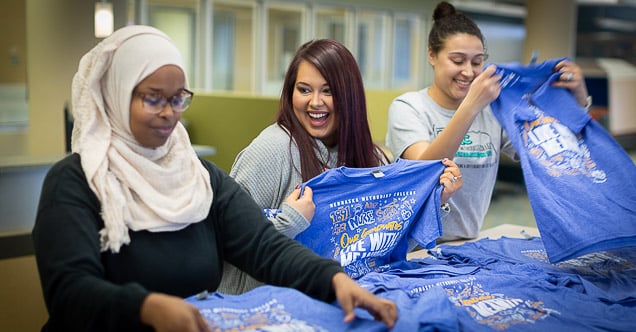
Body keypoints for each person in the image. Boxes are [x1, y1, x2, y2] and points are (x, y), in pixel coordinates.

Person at [31, 25, 397, 332]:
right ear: (114, 96)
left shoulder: (199, 179)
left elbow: (264, 247)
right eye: (153, 98)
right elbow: (70, 292)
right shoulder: (75, 183)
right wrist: (145, 308)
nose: (169, 114)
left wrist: (332, 280)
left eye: (178, 99)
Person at [219, 38, 463, 294]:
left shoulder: (372, 157)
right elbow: (230, 239)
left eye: (329, 91)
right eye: (304, 90)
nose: (315, 102)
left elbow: (382, 248)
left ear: (350, 96)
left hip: (337, 303)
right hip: (266, 307)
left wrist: (436, 200)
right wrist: (289, 221)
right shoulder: (271, 150)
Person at [385, 1, 592, 242]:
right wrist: (471, 105)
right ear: (432, 55)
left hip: (465, 245)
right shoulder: (408, 108)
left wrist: (579, 102)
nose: (468, 72)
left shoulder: (493, 112)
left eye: (476, 62)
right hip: (410, 248)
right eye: (457, 60)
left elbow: (552, 150)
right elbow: (425, 170)